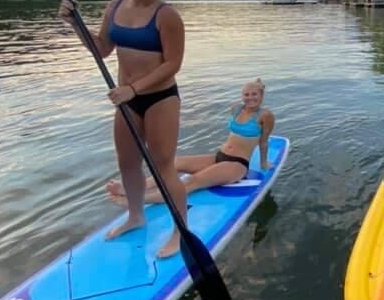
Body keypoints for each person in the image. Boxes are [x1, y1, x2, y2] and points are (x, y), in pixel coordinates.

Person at [58, 0, 186, 258]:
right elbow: (102, 48)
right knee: (127, 163)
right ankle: (135, 216)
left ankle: (180, 231)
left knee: (163, 166)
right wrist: (75, 24)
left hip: (159, 99)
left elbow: (173, 64)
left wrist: (134, 88)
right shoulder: (114, 7)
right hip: (126, 100)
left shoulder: (167, 15)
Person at [106, 79, 275, 206]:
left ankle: (137, 200)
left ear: (261, 96)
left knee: (191, 181)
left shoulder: (265, 116)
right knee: (174, 163)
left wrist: (263, 163)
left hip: (237, 165)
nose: (250, 98)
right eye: (246, 94)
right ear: (242, 95)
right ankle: (131, 189)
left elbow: (263, 142)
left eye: (254, 94)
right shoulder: (236, 108)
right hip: (219, 156)